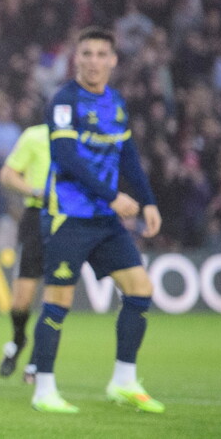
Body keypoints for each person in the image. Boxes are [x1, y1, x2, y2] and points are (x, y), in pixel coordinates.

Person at [28, 27, 164, 414]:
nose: (93, 61)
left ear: (113, 60)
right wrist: (114, 196)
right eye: (86, 53)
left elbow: (128, 157)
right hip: (68, 217)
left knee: (140, 290)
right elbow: (67, 158)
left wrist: (148, 202)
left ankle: (123, 381)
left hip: (104, 221)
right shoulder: (64, 101)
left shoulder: (116, 102)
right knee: (58, 302)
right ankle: (44, 390)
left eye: (101, 54)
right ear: (77, 59)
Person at [0, 123, 49, 383]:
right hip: (37, 217)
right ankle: (18, 339)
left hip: (70, 220)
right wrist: (36, 191)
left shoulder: (84, 137)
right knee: (21, 302)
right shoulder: (35, 136)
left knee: (57, 297)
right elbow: (7, 175)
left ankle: (38, 360)